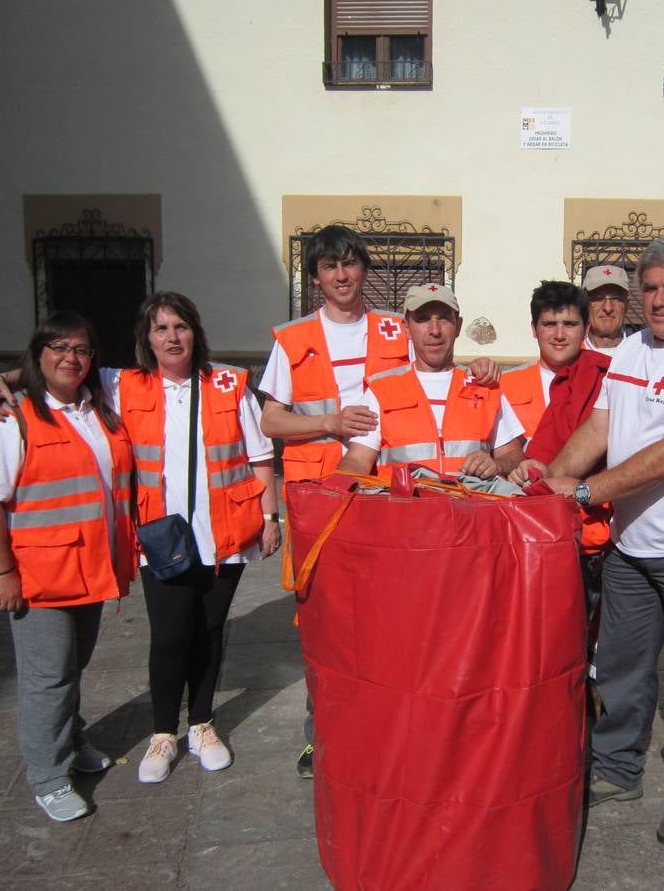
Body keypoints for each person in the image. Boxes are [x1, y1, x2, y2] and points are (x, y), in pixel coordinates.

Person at [0, 293, 282, 786]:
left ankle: (202, 724)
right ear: (146, 338)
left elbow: (261, 456)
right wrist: (3, 378)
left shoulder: (228, 384)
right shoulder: (121, 383)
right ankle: (164, 732)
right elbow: (60, 370)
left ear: (195, 332)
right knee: (168, 637)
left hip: (226, 532)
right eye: (160, 329)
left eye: (180, 326)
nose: (171, 337)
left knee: (208, 633)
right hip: (162, 538)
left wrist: (271, 517)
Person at [511, 238, 664, 849]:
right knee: (620, 669)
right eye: (651, 287)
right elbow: (601, 426)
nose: (657, 299)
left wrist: (582, 493)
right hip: (630, 546)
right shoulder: (635, 349)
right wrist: (552, 475)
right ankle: (617, 770)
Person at [259, 226, 498, 777]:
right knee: (327, 621)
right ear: (314, 277)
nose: (341, 276)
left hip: (386, 502)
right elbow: (270, 420)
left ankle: (393, 729)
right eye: (328, 267)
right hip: (323, 494)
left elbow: (434, 367)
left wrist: (482, 367)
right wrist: (329, 422)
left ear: (364, 270)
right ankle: (321, 735)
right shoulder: (293, 338)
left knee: (389, 627)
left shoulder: (395, 325)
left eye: (350, 264)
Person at [0, 312, 135, 822]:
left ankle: (70, 738)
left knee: (72, 665)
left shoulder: (95, 407)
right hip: (38, 576)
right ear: (37, 355)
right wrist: (1, 572)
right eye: (59, 348)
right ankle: (48, 775)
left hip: (88, 566)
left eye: (81, 350)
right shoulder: (11, 418)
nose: (71, 359)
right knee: (48, 677)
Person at [335, 282, 525, 480]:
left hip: (469, 509)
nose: (435, 330)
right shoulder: (382, 390)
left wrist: (496, 464)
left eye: (443, 319)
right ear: (406, 328)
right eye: (423, 319)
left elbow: (514, 456)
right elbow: (357, 461)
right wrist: (338, 490)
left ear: (458, 326)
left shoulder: (484, 387)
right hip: (406, 509)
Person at [501, 280, 612, 613]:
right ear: (534, 329)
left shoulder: (608, 378)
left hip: (590, 537)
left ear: (586, 328)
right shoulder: (504, 385)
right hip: (525, 533)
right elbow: (498, 453)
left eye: (570, 324)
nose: (559, 334)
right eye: (549, 324)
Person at [582, 263, 631, 351]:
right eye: (599, 298)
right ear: (585, 304)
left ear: (626, 305)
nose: (608, 308)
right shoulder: (570, 355)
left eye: (615, 299)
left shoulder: (640, 352)